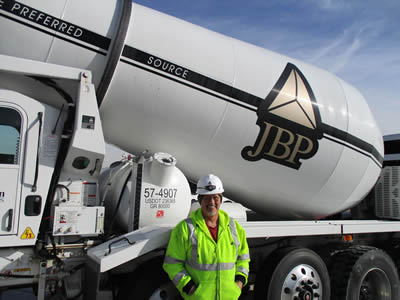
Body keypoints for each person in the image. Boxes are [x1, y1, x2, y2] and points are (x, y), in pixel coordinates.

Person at [163, 174, 250, 299]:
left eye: (215, 197)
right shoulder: (185, 229)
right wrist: (190, 288)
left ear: (221, 199)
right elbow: (172, 264)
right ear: (200, 200)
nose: (212, 202)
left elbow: (243, 259)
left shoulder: (234, 227)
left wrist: (239, 283)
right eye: (207, 198)